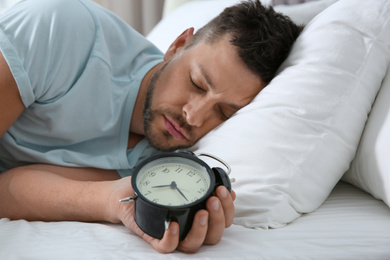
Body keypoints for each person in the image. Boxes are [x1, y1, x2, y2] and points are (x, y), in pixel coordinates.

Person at [0, 0, 303, 254]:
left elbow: (7, 189)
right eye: (196, 83)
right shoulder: (60, 30)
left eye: (222, 112)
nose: (194, 118)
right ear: (178, 45)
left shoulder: (158, 164)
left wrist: (113, 200)